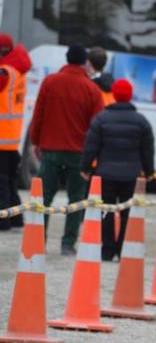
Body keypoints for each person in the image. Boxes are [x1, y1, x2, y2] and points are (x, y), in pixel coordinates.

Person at [29, 44, 104, 255]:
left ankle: (37, 240)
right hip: (79, 153)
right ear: (83, 62)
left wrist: (36, 141)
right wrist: (93, 155)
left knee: (42, 197)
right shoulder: (91, 89)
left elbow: (38, 115)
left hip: (50, 149)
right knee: (77, 198)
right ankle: (68, 244)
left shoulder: (50, 82)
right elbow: (97, 126)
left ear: (67, 58)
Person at [80, 78, 155, 262]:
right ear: (130, 96)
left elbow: (91, 146)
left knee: (106, 211)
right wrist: (149, 171)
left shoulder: (101, 119)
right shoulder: (141, 121)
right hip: (131, 175)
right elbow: (147, 149)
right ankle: (122, 250)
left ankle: (107, 250)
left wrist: (86, 167)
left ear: (113, 94)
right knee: (127, 212)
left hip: (106, 174)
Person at [0, 33, 31, 231]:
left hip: (1, 137)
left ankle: (2, 220)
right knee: (10, 181)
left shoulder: (4, 73)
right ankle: (17, 218)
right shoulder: (17, 72)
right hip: (12, 138)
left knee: (2, 183)